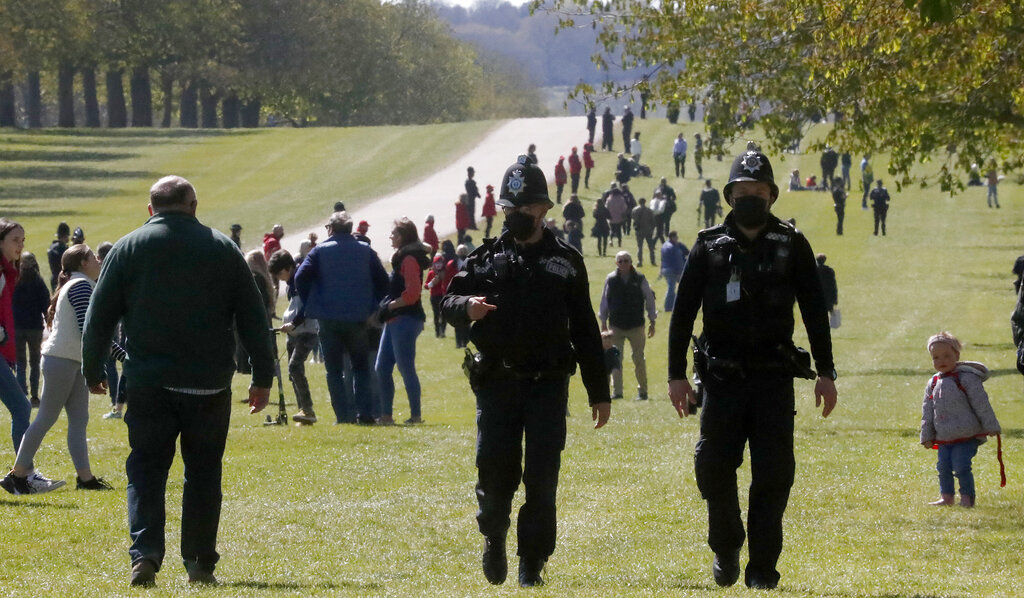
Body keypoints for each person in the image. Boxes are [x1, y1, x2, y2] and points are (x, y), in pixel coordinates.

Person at [80, 175, 275, 586]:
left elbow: (99, 317)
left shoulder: (128, 247)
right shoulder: (223, 248)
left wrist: (93, 370)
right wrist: (261, 376)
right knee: (203, 472)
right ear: (194, 205)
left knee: (146, 470)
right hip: (208, 383)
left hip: (149, 381)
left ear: (150, 209)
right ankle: (200, 562)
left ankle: (145, 555)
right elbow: (253, 316)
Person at [666, 149, 838, 590]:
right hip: (722, 380)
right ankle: (726, 545)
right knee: (712, 467)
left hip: (773, 379)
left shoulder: (791, 243)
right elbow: (683, 312)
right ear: (729, 195)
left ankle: (762, 569)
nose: (751, 198)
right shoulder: (707, 245)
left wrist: (826, 372)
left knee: (774, 475)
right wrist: (676, 375)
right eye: (743, 192)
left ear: (772, 195)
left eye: (759, 192)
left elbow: (815, 311)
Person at [441, 155, 610, 587]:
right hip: (497, 383)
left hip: (548, 385)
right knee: (495, 473)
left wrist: (599, 390)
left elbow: (586, 329)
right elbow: (446, 302)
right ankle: (494, 537)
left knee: (542, 478)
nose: (516, 216)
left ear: (543, 210)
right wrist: (468, 307)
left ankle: (531, 563)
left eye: (524, 209)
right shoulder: (483, 259)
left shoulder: (567, 262)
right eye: (509, 209)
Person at [2, 244, 119, 495]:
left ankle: (85, 479)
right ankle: (18, 475)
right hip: (62, 361)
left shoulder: (80, 284)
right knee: (46, 418)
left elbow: (91, 332)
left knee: (79, 419)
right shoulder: (80, 286)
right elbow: (90, 331)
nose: (99, 260)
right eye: (93, 257)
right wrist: (120, 358)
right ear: (83, 263)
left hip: (71, 361)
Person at [295, 211, 388, 425]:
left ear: (331, 229)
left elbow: (301, 277)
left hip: (328, 318)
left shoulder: (319, 251)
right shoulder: (365, 250)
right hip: (358, 317)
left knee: (334, 370)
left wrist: (312, 300)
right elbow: (383, 282)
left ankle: (343, 417)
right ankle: (364, 413)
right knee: (360, 367)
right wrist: (372, 304)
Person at [921, 332, 1001, 508]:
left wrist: (991, 426)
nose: (941, 360)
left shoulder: (966, 378)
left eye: (947, 355)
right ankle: (947, 496)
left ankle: (967, 497)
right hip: (944, 436)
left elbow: (981, 403)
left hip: (967, 434)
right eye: (936, 357)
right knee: (943, 468)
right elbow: (927, 411)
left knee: (961, 466)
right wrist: (926, 436)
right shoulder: (933, 382)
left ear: (957, 355)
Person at [377, 219, 431, 425]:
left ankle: (416, 416)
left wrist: (390, 306)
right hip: (394, 320)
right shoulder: (401, 258)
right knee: (382, 368)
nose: (390, 237)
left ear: (402, 236)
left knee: (405, 367)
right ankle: (386, 416)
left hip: (406, 319)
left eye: (393, 233)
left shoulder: (408, 259)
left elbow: (413, 294)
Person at [0, 220, 39, 489]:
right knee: (22, 407)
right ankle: (23, 475)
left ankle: (22, 475)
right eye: (15, 239)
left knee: (21, 407)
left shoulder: (8, 272)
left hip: (5, 353)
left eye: (22, 240)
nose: (20, 245)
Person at [599, 251, 657, 401]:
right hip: (616, 326)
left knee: (639, 359)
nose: (623, 263)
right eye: (620, 261)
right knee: (615, 360)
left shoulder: (640, 279)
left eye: (626, 261)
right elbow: (605, 301)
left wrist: (652, 320)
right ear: (616, 263)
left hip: (636, 325)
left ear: (631, 262)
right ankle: (617, 392)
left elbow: (650, 299)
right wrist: (603, 322)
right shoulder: (611, 279)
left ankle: (643, 392)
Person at [269, 250, 319, 425]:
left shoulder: (300, 278)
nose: (279, 277)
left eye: (279, 273)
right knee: (293, 372)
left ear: (288, 267)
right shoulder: (291, 282)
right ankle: (303, 412)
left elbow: (308, 305)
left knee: (295, 367)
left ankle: (308, 410)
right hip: (294, 332)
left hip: (307, 330)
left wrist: (294, 323)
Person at [12, 252, 48, 407]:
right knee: (34, 362)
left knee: (20, 362)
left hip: (17, 326)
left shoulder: (14, 279)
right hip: (34, 327)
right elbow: (46, 304)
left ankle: (21, 394)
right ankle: (34, 396)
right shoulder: (38, 281)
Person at [446, 245, 472, 348]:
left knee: (466, 318)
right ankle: (458, 342)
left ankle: (466, 341)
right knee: (456, 318)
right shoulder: (451, 264)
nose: (462, 253)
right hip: (455, 293)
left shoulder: (470, 262)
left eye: (463, 251)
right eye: (460, 252)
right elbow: (447, 278)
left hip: (466, 293)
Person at [660, 231, 689, 313]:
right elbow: (676, 261)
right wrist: (678, 272)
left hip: (666, 270)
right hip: (673, 270)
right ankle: (669, 307)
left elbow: (687, 252)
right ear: (672, 237)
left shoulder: (666, 246)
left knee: (673, 288)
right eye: (675, 237)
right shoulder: (672, 248)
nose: (677, 238)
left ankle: (673, 305)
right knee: (672, 288)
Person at [425, 254, 447, 338]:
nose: (438, 264)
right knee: (436, 315)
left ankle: (443, 331)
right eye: (436, 263)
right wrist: (432, 283)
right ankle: (437, 332)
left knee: (444, 315)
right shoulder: (431, 273)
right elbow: (426, 286)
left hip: (443, 296)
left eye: (440, 262)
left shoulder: (445, 272)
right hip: (434, 297)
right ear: (433, 264)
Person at [632, 197, 657, 267]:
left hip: (639, 230)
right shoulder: (649, 210)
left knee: (639, 247)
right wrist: (652, 229)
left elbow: (633, 218)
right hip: (648, 230)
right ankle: (653, 261)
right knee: (651, 248)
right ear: (645, 202)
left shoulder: (635, 210)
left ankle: (639, 262)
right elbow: (653, 221)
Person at [46, 222, 70, 291]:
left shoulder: (52, 247)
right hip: (63, 279)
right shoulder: (63, 249)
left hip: (54, 278)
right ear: (65, 236)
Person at [816, 254, 838, 321]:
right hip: (828, 294)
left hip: (817, 294)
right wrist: (835, 298)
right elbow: (833, 285)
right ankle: (834, 322)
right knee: (831, 310)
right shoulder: (829, 270)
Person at [605, 183, 628, 248]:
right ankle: (619, 242)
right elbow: (624, 208)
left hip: (611, 217)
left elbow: (606, 207)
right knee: (619, 230)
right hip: (619, 217)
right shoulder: (621, 199)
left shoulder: (609, 199)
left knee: (612, 230)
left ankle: (611, 240)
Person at [601, 330, 622, 396]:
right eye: (605, 342)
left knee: (615, 374)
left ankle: (616, 390)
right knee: (606, 381)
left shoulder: (614, 349)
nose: (607, 344)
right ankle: (605, 393)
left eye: (609, 342)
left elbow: (617, 355)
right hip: (604, 368)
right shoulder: (600, 350)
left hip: (613, 366)